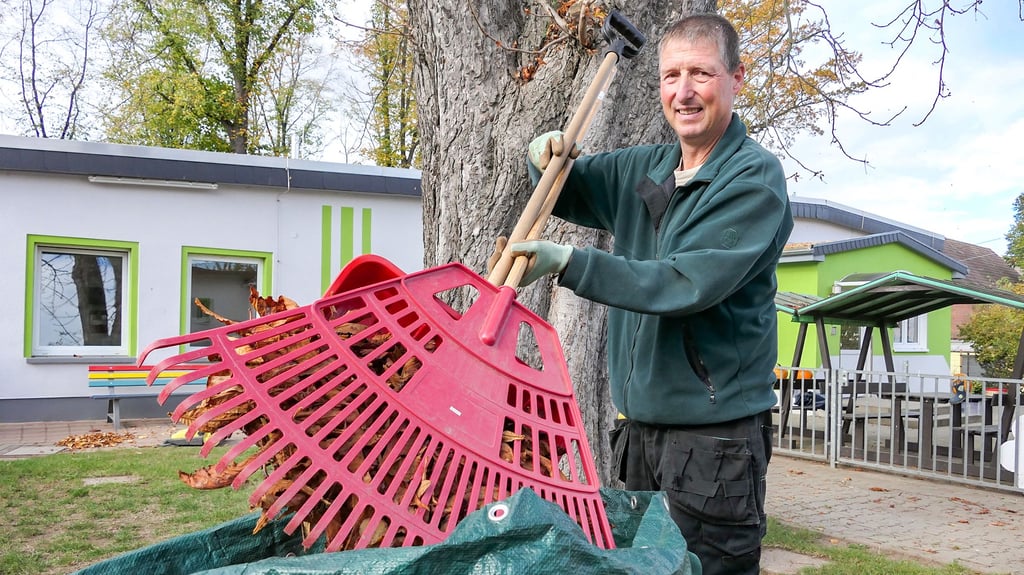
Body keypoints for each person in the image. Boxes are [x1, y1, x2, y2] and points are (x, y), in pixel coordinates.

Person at [501, 13, 793, 575]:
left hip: (714, 445)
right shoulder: (648, 167)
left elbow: (685, 282)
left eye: (701, 74)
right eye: (671, 75)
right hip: (638, 434)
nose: (683, 92)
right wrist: (544, 157)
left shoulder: (753, 180)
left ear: (736, 77)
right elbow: (566, 186)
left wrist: (571, 262)